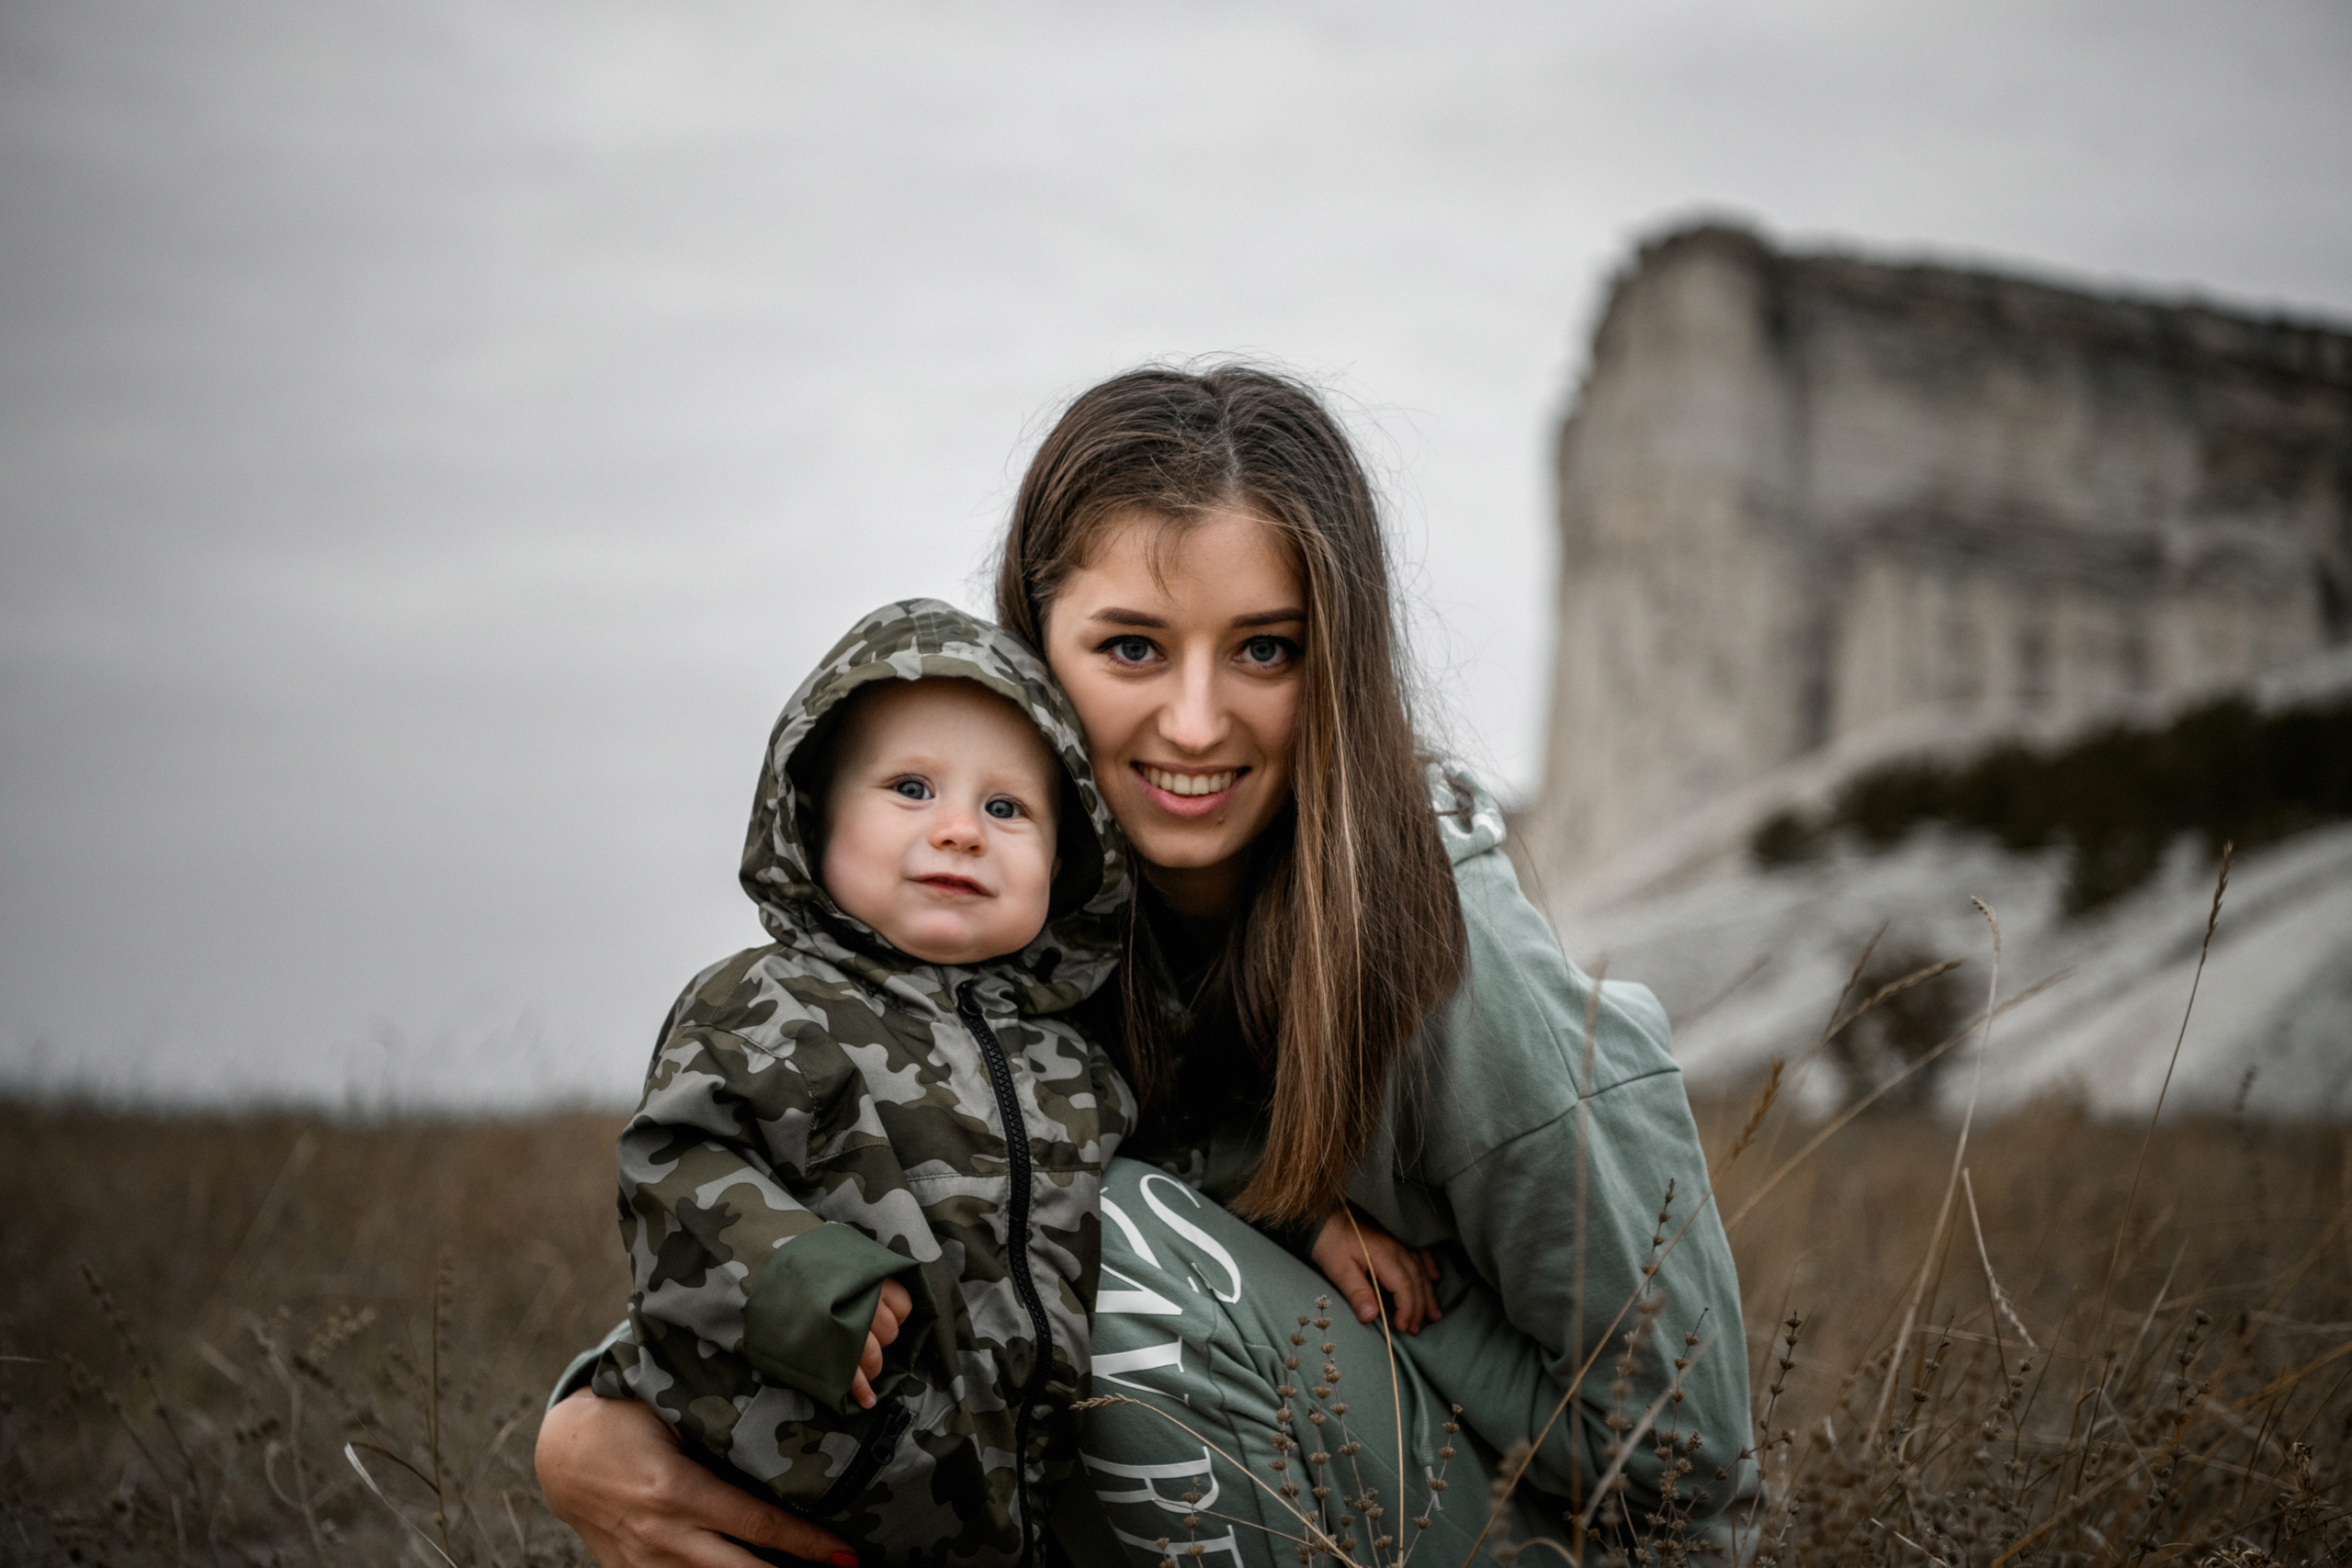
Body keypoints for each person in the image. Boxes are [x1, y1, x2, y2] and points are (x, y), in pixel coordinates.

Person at [537, 365, 1754, 1568]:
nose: (1192, 720)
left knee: (1101, 1252)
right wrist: (587, 1413)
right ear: (1034, 654)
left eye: (1265, 650)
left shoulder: (1456, 957)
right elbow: (861, 1197)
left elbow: (1691, 1465)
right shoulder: (1022, 934)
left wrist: (1291, 1275)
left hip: (1553, 1531)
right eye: (1130, 646)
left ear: (1336, 659)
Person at [583, 598, 1137, 1567]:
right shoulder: (763, 1006)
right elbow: (669, 1165)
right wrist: (795, 1270)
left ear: (1067, 858)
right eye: (912, 788)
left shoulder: (1075, 1060)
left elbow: (1164, 1175)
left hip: (1017, 1515)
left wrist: (1301, 1218)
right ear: (818, 815)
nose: (962, 830)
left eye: (1007, 808)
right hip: (807, 1489)